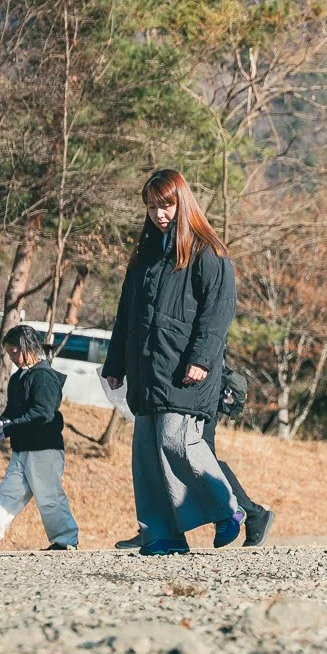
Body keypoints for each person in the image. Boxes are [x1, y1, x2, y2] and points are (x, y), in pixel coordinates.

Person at [100, 168, 243, 556]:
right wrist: (115, 363)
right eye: (152, 207)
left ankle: (227, 508)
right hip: (146, 369)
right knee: (147, 455)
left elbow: (218, 313)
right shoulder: (143, 258)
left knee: (175, 440)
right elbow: (126, 315)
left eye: (166, 205)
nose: (159, 214)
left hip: (186, 370)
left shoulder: (208, 253)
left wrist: (202, 359)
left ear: (183, 202)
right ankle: (162, 535)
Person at [113, 366, 273, 550]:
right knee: (170, 454)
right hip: (171, 386)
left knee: (196, 456)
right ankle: (160, 529)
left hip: (196, 390)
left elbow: (210, 350)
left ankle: (248, 513)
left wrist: (200, 363)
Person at [0, 325, 78, 552]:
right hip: (22, 447)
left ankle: (66, 541)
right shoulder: (17, 378)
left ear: (27, 347)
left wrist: (13, 425)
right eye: (9, 352)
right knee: (8, 492)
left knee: (49, 496)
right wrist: (5, 421)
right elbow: (12, 411)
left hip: (45, 448)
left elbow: (43, 413)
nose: (11, 357)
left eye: (14, 351)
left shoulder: (44, 376)